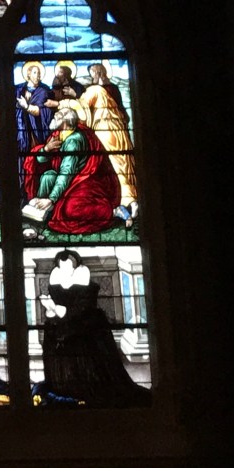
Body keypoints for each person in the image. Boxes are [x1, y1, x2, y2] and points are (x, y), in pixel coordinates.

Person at [32, 251, 151, 408]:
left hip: (83, 324)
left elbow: (84, 308)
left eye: (69, 266)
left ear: (76, 266)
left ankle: (84, 387)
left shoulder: (83, 277)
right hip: (61, 324)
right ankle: (63, 386)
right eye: (62, 266)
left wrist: (59, 310)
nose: (65, 269)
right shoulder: (56, 276)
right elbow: (57, 303)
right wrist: (51, 309)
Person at [21, 107, 126, 233]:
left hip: (83, 182)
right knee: (48, 176)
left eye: (57, 116)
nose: (54, 117)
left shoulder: (73, 141)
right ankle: (40, 212)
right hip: (68, 180)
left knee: (70, 210)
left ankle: (113, 211)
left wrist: (51, 199)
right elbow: (41, 161)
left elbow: (66, 173)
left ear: (65, 122)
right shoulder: (59, 135)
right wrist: (46, 149)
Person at [75, 64, 138, 217]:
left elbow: (82, 109)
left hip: (105, 133)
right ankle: (132, 201)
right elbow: (123, 112)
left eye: (93, 74)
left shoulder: (95, 90)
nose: (92, 78)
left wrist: (69, 99)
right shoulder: (114, 89)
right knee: (123, 166)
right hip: (119, 132)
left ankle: (123, 202)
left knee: (113, 167)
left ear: (99, 72)